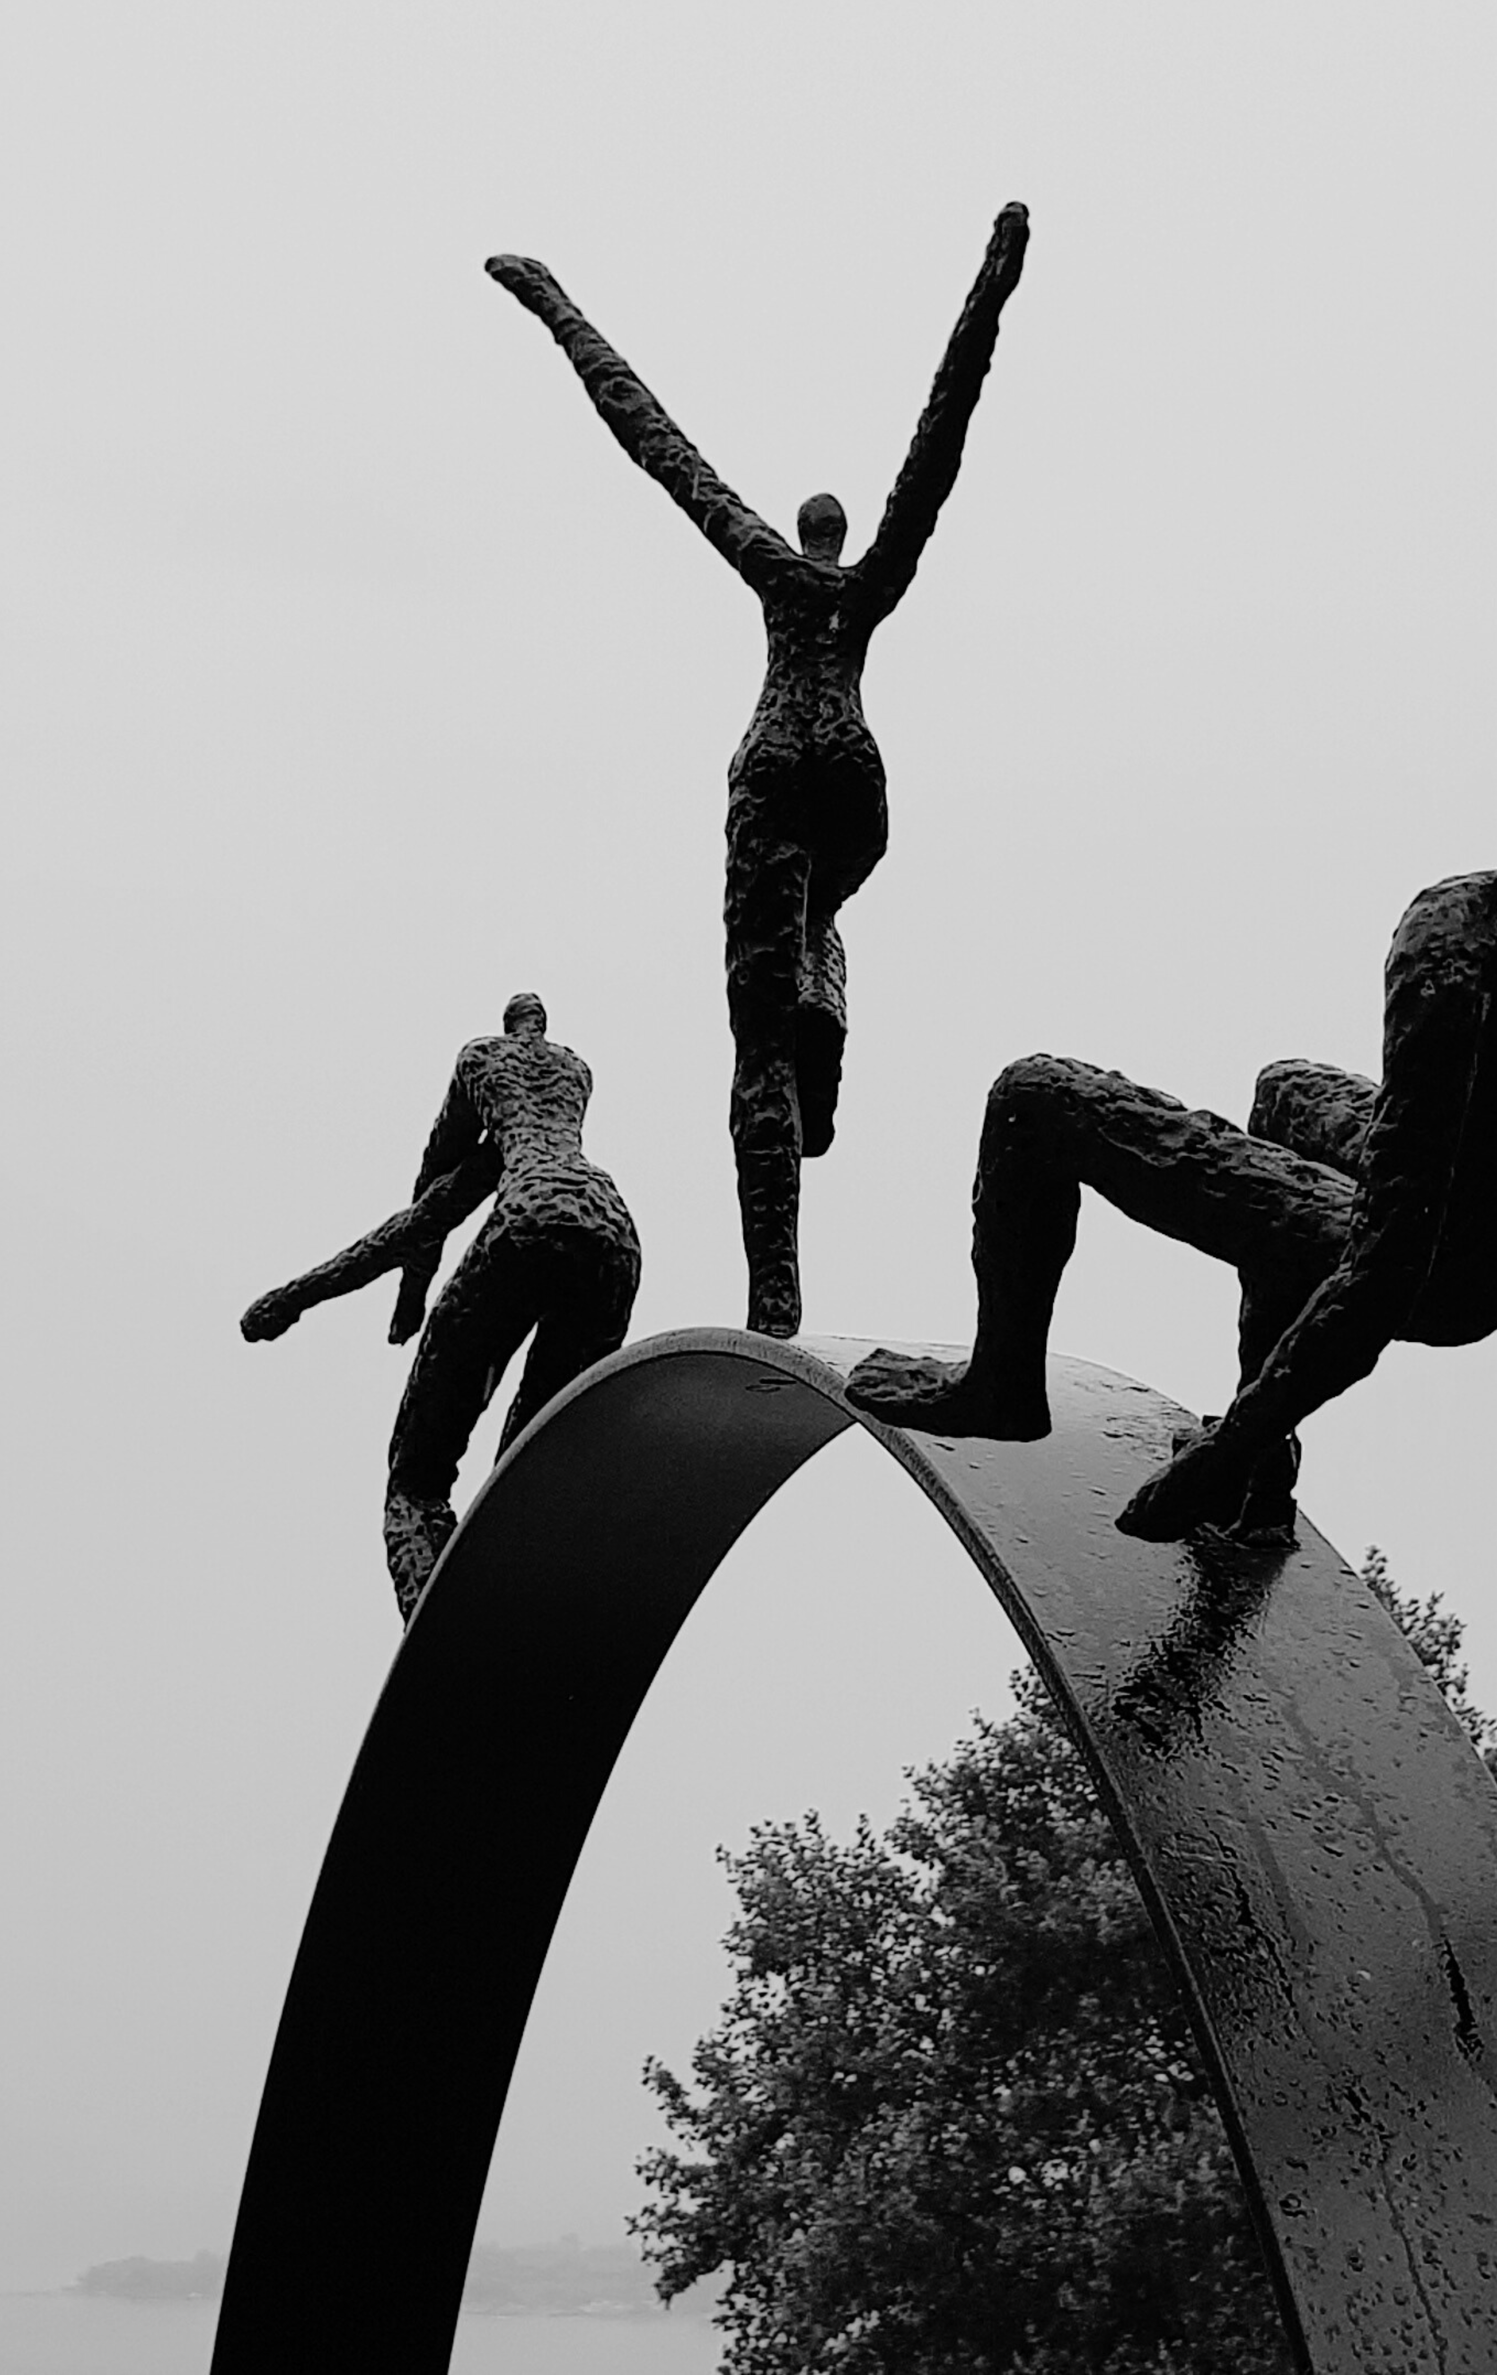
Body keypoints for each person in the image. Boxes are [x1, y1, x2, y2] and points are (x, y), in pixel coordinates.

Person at [848, 733, 1497, 1543]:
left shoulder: (1457, 941)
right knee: (1286, 1091)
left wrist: (1221, 1455)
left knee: (1032, 1100)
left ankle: (1007, 1384)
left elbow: (1386, 1264)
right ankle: (1259, 1464)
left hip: (1451, 1266)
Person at [486, 204, 1030, 1338]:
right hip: (856, 778)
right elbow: (941, 441)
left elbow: (657, 441)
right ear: (846, 534)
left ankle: (774, 1286)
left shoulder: (776, 575)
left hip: (778, 762)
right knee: (817, 920)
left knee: (756, 1043)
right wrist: (992, 283)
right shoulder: (866, 582)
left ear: (798, 531)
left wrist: (554, 307)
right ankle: (819, 984)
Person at [243, 994, 641, 1619]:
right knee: (530, 1459)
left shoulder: (480, 1067)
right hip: (613, 1230)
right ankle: (533, 1601)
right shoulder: (573, 1073)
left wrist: (293, 1299)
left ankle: (443, 1627)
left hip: (527, 1215)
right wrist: (411, 1297)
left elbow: (418, 1213)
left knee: (414, 1482)